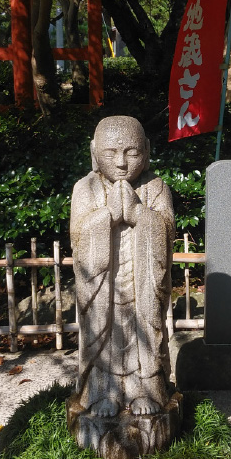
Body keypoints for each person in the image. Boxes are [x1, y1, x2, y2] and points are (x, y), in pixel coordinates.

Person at [70, 115, 175, 418]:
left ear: (147, 150)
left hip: (142, 284)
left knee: (146, 326)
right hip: (102, 288)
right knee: (102, 335)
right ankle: (104, 392)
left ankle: (146, 389)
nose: (121, 162)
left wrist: (140, 215)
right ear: (94, 152)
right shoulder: (85, 188)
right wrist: (109, 215)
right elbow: (78, 236)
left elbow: (166, 231)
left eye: (132, 152)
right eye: (110, 153)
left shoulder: (156, 188)